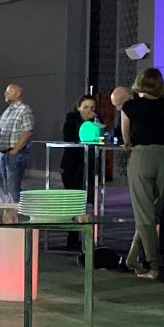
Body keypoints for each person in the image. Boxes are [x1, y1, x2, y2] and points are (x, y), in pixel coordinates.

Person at [121, 68, 164, 280]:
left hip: (142, 157)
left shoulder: (130, 106)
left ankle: (153, 265)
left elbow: (127, 140)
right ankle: (132, 257)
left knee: (144, 214)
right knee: (154, 212)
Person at [61, 95, 99, 249]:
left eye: (92, 108)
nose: (89, 111)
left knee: (86, 202)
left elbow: (100, 136)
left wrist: (94, 122)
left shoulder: (96, 119)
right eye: (85, 107)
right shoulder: (71, 119)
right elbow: (69, 136)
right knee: (73, 202)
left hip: (88, 166)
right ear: (78, 107)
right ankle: (72, 238)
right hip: (72, 165)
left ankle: (87, 237)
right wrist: (84, 123)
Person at [0, 83, 35, 202]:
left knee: (13, 188)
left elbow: (27, 132)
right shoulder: (8, 110)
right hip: (4, 154)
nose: (5, 94)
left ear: (18, 93)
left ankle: (18, 211)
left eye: (9, 91)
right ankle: (11, 211)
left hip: (15, 154)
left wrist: (15, 150)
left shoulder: (24, 110)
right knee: (7, 187)